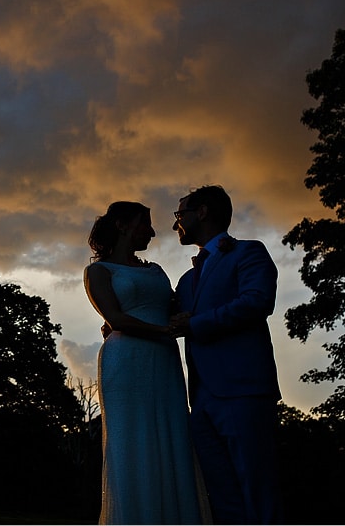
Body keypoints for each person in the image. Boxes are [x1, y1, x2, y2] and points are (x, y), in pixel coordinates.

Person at [84, 201, 210, 525]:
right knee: (132, 443)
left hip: (164, 362)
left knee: (172, 437)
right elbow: (114, 317)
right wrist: (165, 331)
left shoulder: (156, 272)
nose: (152, 232)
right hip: (125, 363)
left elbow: (175, 306)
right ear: (123, 225)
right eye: (145, 223)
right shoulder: (98, 271)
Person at [170, 185, 284, 524]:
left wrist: (197, 323)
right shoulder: (187, 279)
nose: (176, 224)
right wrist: (119, 322)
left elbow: (257, 301)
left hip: (243, 390)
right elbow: (165, 318)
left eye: (180, 215)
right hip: (200, 400)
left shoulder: (249, 253)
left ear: (202, 212)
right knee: (221, 499)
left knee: (259, 491)